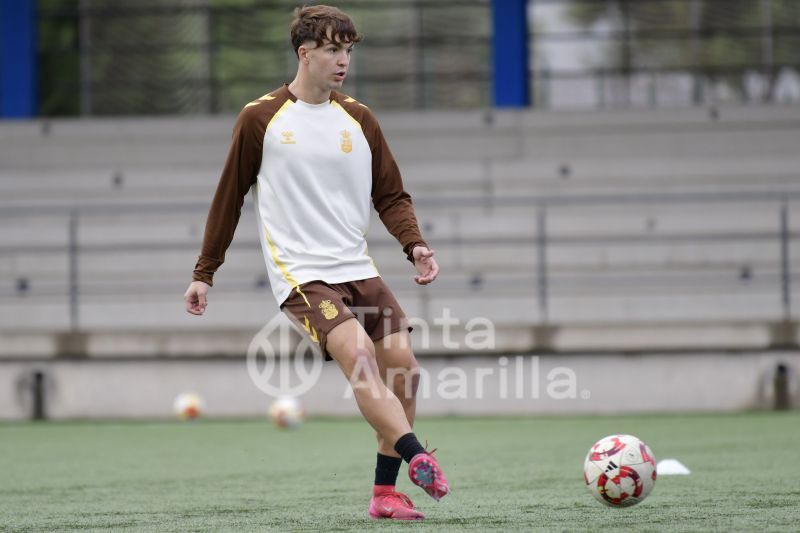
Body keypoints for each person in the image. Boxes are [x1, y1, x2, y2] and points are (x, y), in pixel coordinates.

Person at [183, 4, 449, 521]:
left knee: (406, 373)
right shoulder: (260, 118)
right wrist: (204, 271)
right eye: (331, 49)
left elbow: (391, 195)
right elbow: (229, 197)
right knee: (361, 358)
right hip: (302, 276)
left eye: (347, 49)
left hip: (358, 268)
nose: (342, 59)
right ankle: (418, 456)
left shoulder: (360, 118)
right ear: (305, 53)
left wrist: (414, 244)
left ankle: (385, 495)